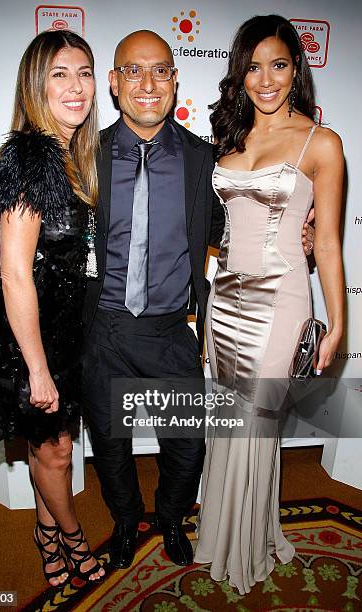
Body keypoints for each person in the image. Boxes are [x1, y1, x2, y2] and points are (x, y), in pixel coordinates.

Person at [81, 29, 315, 570]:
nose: (147, 83)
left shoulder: (203, 160)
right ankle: (123, 521)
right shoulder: (83, 154)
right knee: (110, 445)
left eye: (160, 70)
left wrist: (297, 235)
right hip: (104, 327)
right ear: (114, 83)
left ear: (174, 79)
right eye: (133, 71)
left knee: (187, 447)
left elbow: (236, 225)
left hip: (169, 330)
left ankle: (169, 518)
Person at [193, 14, 344, 594]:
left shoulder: (321, 143)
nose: (265, 79)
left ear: (295, 69)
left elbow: (326, 240)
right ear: (240, 74)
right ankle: (222, 532)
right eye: (253, 67)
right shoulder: (230, 140)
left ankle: (247, 545)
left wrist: (337, 321)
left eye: (278, 64)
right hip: (224, 298)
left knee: (256, 423)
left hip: (280, 300)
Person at [0, 30, 105, 587]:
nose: (76, 87)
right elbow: (15, 274)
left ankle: (46, 531)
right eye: (59, 75)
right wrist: (37, 368)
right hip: (31, 339)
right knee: (56, 453)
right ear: (36, 84)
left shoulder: (70, 154)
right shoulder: (30, 156)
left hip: (63, 331)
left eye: (84, 73)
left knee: (54, 449)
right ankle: (70, 537)